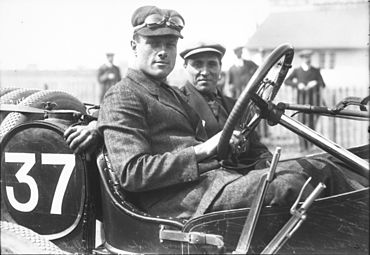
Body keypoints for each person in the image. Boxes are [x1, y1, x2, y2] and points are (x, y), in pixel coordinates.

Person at [66, 6, 363, 220]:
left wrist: (98, 124)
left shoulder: (169, 91)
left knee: (322, 168)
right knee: (293, 185)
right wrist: (200, 151)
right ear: (134, 46)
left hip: (212, 182)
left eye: (169, 44)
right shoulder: (124, 93)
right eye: (153, 43)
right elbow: (133, 173)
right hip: (174, 199)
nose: (162, 52)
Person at [179, 41, 271, 170]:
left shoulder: (235, 105)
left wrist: (268, 163)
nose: (205, 72)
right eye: (197, 64)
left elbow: (257, 150)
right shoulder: (177, 103)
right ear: (185, 66)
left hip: (244, 175)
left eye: (212, 64)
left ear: (220, 67)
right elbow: (181, 158)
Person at [285, 50, 326, 151]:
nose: (308, 59)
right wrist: (298, 84)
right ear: (302, 59)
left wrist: (315, 82)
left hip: (313, 102)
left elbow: (323, 84)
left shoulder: (315, 71)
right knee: (301, 124)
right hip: (301, 102)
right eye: (305, 57)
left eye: (309, 57)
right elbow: (287, 81)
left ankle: (310, 146)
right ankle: (303, 146)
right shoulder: (297, 70)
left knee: (311, 125)